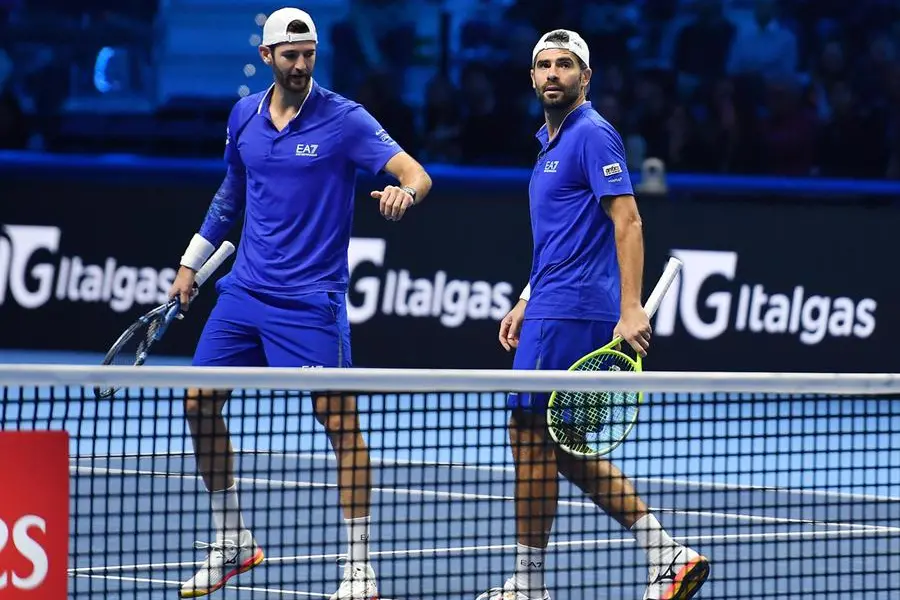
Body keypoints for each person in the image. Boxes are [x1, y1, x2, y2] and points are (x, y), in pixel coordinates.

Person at [168, 7, 432, 599]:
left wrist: (405, 195)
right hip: (243, 293)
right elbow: (231, 192)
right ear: (267, 56)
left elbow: (416, 173)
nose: (300, 64)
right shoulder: (244, 115)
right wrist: (190, 262)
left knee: (339, 424)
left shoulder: (346, 119)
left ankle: (359, 569)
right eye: (290, 55)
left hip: (312, 301)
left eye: (309, 54)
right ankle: (232, 540)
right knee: (197, 402)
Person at [482, 30, 710, 600]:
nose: (552, 73)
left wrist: (630, 307)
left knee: (529, 437)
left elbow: (627, 220)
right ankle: (668, 554)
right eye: (544, 65)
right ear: (532, 77)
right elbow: (562, 236)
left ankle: (528, 587)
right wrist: (527, 298)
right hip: (551, 304)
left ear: (585, 77)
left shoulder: (591, 133)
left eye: (565, 65)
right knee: (562, 445)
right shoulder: (551, 142)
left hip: (573, 310)